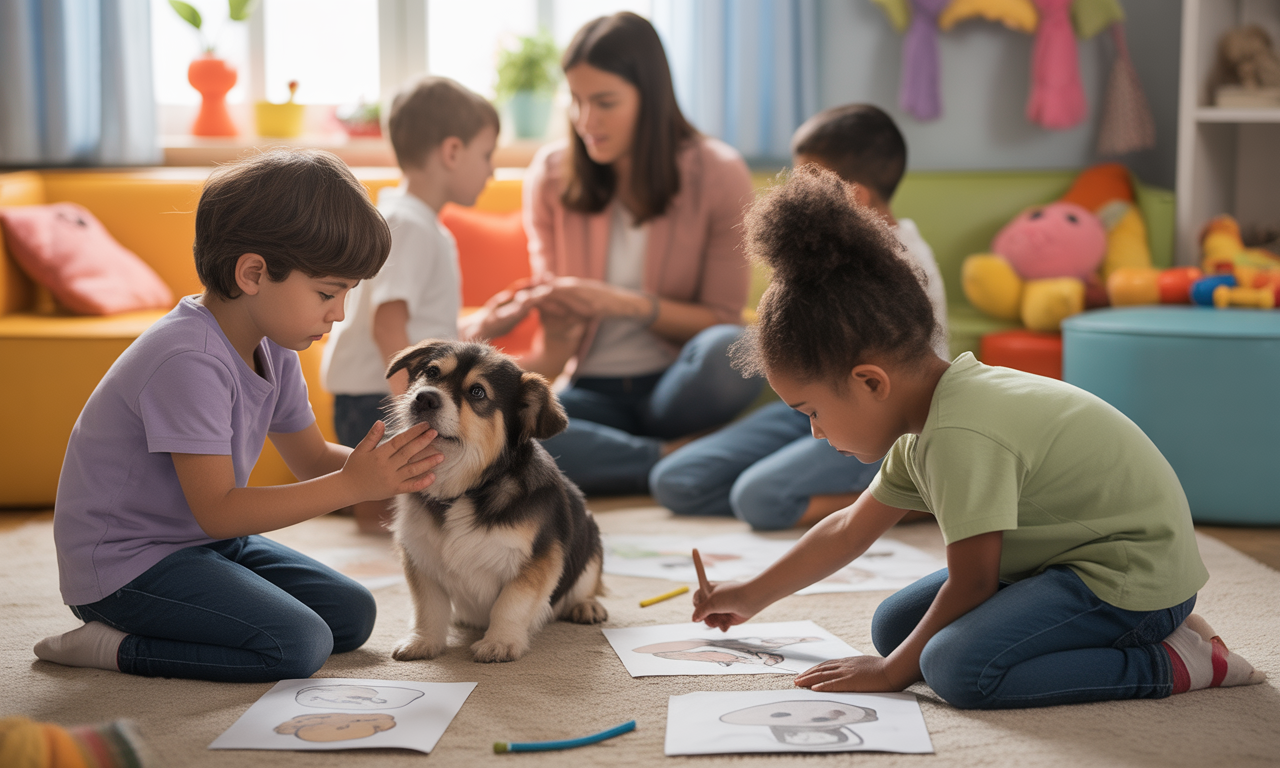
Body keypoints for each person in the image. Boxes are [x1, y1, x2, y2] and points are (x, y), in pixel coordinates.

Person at [691, 166, 1265, 709]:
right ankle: (1134, 637)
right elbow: (847, 529)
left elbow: (972, 583)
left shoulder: (960, 432)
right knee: (894, 628)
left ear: (870, 382)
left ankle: (1176, 661)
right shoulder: (924, 422)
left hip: (1130, 576)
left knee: (955, 670)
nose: (814, 433)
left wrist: (892, 676)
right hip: (1063, 562)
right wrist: (751, 594)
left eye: (811, 412)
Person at [34, 150, 444, 683]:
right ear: (253, 273)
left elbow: (312, 458)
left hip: (201, 544)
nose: (338, 313)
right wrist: (353, 486)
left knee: (351, 615)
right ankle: (112, 646)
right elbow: (220, 511)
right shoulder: (188, 359)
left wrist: (410, 475)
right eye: (327, 292)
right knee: (298, 644)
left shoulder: (275, 346)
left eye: (346, 293)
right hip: (126, 566)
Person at [488, 12, 763, 495]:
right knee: (502, 436)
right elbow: (557, 333)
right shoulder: (550, 175)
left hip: (676, 386)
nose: (585, 120)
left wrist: (624, 304)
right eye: (575, 100)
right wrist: (544, 321)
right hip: (591, 390)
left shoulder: (719, 171)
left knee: (733, 351)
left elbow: (721, 317)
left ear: (650, 99)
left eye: (605, 102)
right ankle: (675, 458)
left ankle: (624, 458)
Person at [650, 104, 948, 530]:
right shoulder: (829, 256)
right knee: (677, 481)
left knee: (759, 500)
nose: (795, 190)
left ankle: (915, 497)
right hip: (815, 406)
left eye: (808, 179)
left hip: (879, 418)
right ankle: (796, 478)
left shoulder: (899, 261)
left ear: (855, 196)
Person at [322, 76, 521, 533]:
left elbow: (422, 328)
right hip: (380, 399)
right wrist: (411, 415)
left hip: (385, 393)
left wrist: (487, 321)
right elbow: (388, 328)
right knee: (386, 519)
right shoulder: (408, 224)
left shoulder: (415, 223)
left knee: (402, 509)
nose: (491, 170)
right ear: (452, 151)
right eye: (486, 154)